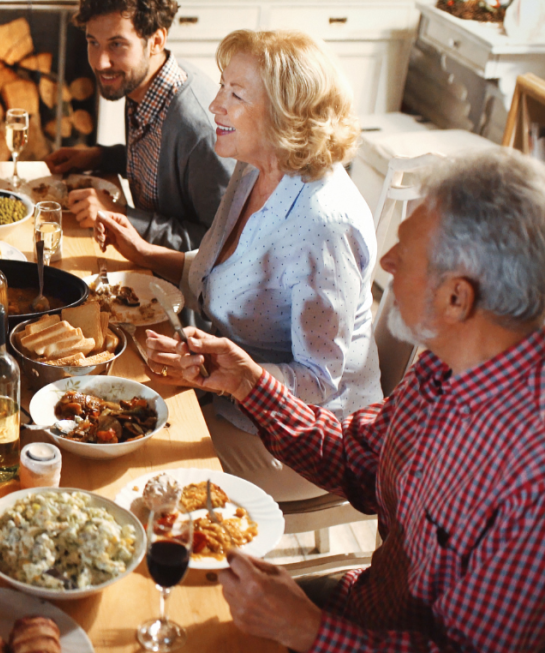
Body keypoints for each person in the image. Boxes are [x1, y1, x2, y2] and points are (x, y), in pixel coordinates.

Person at [155, 150, 545, 652]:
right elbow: (356, 458)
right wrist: (249, 384)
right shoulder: (444, 366)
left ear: (456, 298)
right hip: (363, 605)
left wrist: (309, 631)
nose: (385, 262)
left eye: (405, 253)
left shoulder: (529, 478)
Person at [102, 29, 381, 502]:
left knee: (133, 458)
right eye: (220, 87)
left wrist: (225, 374)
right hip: (232, 394)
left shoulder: (322, 223)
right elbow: (225, 272)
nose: (215, 105)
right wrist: (146, 255)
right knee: (110, 405)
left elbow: (317, 380)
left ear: (286, 111)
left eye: (235, 93)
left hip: (303, 439)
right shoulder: (254, 167)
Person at [44, 0, 233, 252]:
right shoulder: (142, 83)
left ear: (156, 42)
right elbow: (158, 166)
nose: (100, 62)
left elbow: (221, 245)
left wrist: (120, 215)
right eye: (93, 43)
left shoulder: (199, 131)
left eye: (117, 44)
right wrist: (99, 157)